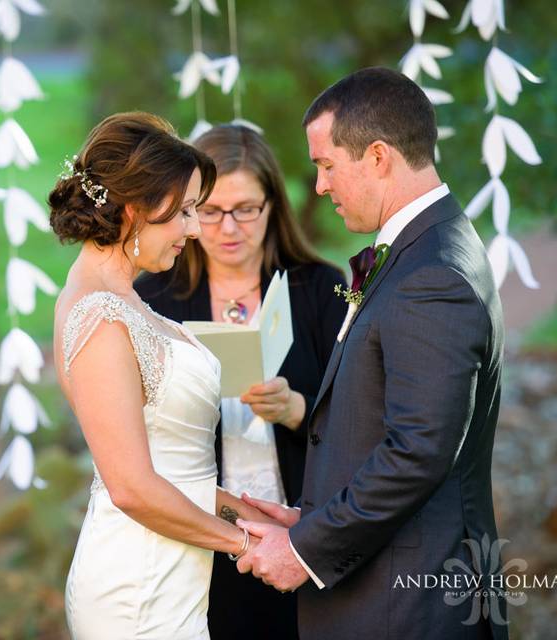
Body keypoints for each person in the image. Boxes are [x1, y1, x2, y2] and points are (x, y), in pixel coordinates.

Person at [235, 67, 507, 640]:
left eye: (326, 165)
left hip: (409, 605)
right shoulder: (429, 247)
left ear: (378, 156)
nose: (319, 187)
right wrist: (312, 515)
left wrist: (307, 548)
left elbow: (417, 451)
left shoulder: (432, 276)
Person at [50, 112, 272, 640]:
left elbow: (172, 463)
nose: (196, 230)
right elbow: (129, 486)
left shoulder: (126, 302)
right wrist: (245, 546)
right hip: (137, 589)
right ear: (134, 211)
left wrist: (257, 516)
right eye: (187, 212)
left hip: (174, 573)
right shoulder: (101, 318)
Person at [134, 124, 346, 639]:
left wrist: (298, 408)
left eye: (246, 208)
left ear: (273, 206)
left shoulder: (322, 289)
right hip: (200, 533)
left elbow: (364, 420)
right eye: (209, 211)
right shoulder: (155, 298)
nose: (229, 228)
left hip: (302, 530)